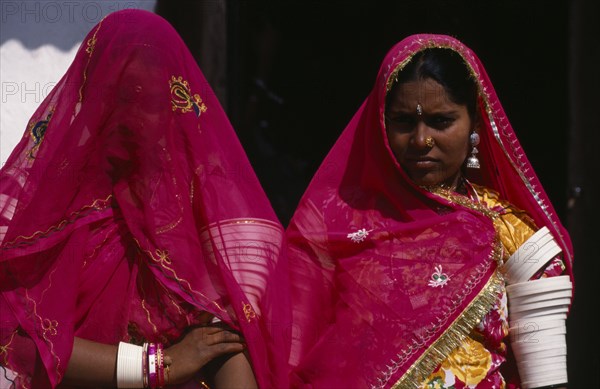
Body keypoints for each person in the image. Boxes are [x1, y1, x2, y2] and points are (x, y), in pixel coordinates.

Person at [0, 9, 290, 389]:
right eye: (121, 96)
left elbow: (225, 341)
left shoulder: (202, 217)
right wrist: (158, 365)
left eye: (150, 100)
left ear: (175, 104)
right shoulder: (49, 214)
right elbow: (22, 338)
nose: (135, 118)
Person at [285, 34, 574, 388]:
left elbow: (546, 381)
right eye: (404, 122)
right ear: (381, 123)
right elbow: (288, 342)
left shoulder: (513, 234)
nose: (421, 140)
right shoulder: (336, 223)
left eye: (441, 121)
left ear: (475, 125)